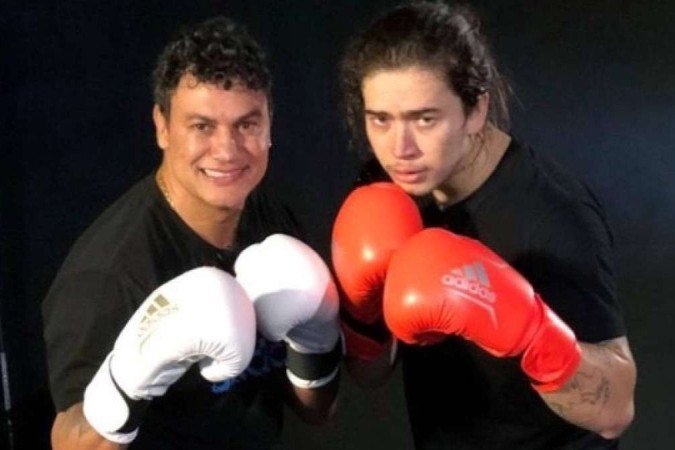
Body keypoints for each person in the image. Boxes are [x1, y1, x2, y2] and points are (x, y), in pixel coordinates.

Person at [332, 2, 636, 449]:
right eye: (381, 120)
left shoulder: (552, 215)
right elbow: (369, 374)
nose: (400, 148)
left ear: (475, 110)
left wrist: (534, 336)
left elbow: (616, 411)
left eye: (424, 119)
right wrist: (362, 315)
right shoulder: (389, 189)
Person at [42, 16, 341, 450]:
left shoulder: (271, 221)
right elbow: (67, 443)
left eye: (247, 125)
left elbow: (317, 411)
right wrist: (128, 378)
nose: (227, 151)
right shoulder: (110, 273)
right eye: (202, 126)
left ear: (270, 125)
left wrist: (317, 342)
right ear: (162, 127)